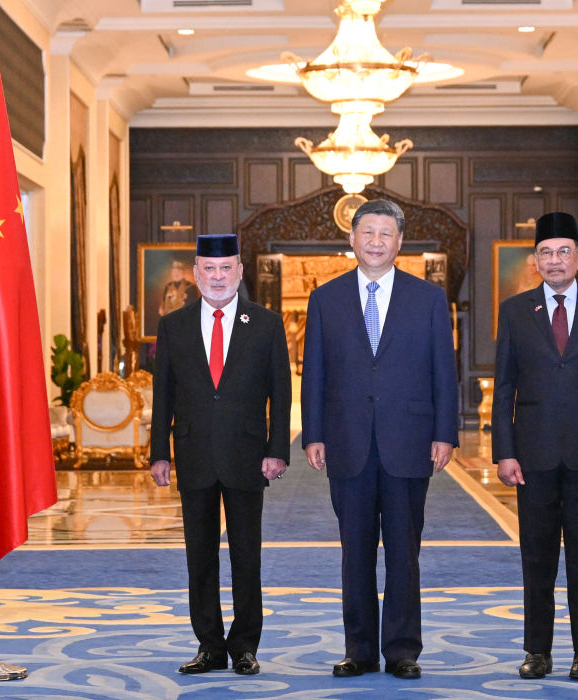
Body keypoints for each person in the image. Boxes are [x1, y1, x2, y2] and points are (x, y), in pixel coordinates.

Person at [301, 199, 459, 680]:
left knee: (404, 552)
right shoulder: (325, 299)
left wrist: (445, 433)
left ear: (399, 242)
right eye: (367, 232)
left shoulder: (428, 298)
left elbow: (444, 371)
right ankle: (360, 649)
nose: (375, 242)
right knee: (355, 552)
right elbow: (315, 372)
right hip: (347, 441)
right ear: (351, 238)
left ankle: (403, 650)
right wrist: (313, 433)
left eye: (385, 233)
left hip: (409, 441)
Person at [492, 212, 578, 681]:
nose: (555, 260)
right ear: (535, 260)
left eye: (563, 251)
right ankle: (537, 651)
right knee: (536, 558)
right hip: (532, 456)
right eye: (546, 253)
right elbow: (505, 386)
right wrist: (504, 451)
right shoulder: (516, 311)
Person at [150, 234, 291, 676]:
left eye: (226, 268)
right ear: (196, 274)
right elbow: (163, 395)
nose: (217, 277)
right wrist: (159, 453)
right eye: (209, 269)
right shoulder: (174, 326)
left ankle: (245, 646)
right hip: (193, 453)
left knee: (247, 555)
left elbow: (281, 394)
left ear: (239, 272)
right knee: (200, 556)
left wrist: (278, 450)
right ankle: (209, 646)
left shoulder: (265, 324)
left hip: (247, 455)